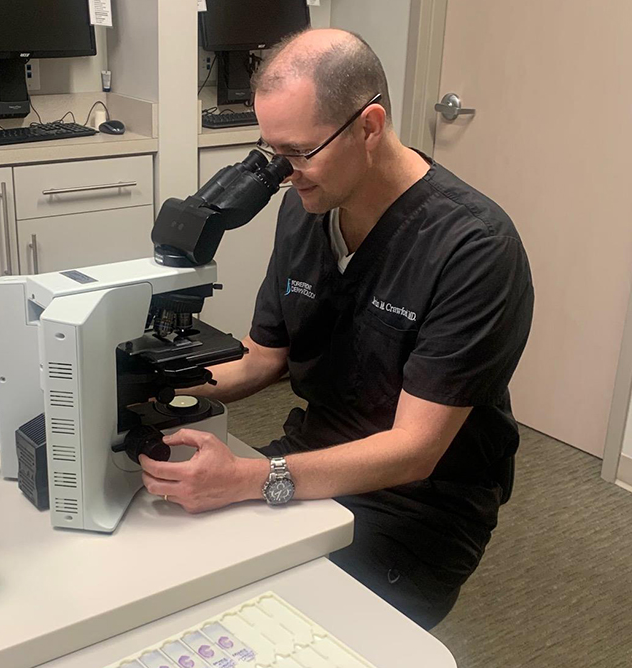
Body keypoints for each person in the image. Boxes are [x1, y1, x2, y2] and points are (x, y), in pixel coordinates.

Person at [139, 28, 534, 629]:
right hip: (311, 456)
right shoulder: (306, 207)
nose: (286, 175)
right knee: (168, 568)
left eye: (300, 152)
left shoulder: (473, 246)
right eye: (274, 154)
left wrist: (248, 480)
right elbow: (262, 357)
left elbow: (414, 450)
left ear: (369, 126)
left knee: (267, 626)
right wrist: (151, 378)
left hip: (416, 506)